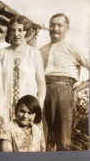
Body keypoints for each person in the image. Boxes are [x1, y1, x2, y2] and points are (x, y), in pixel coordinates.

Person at [40, 13, 89, 151]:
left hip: (64, 92)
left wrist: (77, 89)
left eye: (59, 25)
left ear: (67, 28)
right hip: (42, 91)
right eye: (52, 25)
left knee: (64, 140)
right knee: (40, 137)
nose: (55, 28)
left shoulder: (72, 47)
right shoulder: (41, 50)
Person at [0, 15, 46, 122]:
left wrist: (39, 107)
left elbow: (41, 83)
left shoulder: (34, 54)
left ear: (27, 32)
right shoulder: (2, 53)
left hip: (28, 111)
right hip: (6, 109)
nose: (16, 34)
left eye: (20, 30)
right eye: (13, 30)